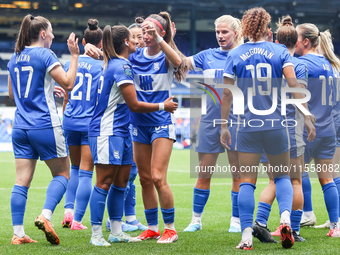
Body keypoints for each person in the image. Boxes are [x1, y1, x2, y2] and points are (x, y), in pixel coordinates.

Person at [221, 7, 315, 250]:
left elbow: (227, 94)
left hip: (248, 125)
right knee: (283, 175)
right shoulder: (280, 50)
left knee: (246, 182)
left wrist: (223, 126)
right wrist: (306, 115)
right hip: (276, 124)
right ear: (267, 27)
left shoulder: (235, 54)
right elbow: (294, 86)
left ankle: (246, 237)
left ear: (245, 26)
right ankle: (285, 220)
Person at [88, 24, 178, 246]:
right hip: (108, 130)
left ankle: (116, 231)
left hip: (122, 130)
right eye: (133, 37)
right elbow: (135, 105)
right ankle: (96, 234)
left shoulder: (118, 63)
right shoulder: (122, 66)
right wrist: (162, 106)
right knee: (104, 182)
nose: (138, 40)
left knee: (121, 183)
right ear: (126, 42)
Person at [7, 14, 79, 245]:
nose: (53, 36)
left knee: (21, 181)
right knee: (63, 174)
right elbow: (68, 82)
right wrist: (75, 56)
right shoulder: (46, 54)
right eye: (51, 32)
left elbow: (12, 94)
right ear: (42, 34)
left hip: (20, 127)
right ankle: (46, 216)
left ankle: (18, 234)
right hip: (44, 125)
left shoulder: (14, 57)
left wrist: (48, 90)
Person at [128, 12, 188, 243]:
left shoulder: (165, 55)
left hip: (161, 123)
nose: (145, 34)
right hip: (138, 123)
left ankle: (170, 229)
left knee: (157, 177)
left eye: (150, 31)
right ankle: (152, 227)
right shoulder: (135, 55)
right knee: (144, 179)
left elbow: (179, 62)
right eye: (143, 30)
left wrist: (161, 39)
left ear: (161, 33)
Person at [182, 15, 243, 233]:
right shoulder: (206, 55)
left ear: (236, 33)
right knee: (204, 173)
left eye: (224, 32)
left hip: (237, 121)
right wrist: (165, 40)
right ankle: (196, 220)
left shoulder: (243, 55)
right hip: (209, 121)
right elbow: (180, 62)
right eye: (217, 32)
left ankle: (236, 222)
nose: (220, 36)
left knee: (238, 175)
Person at [252, 15, 310, 243]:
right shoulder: (298, 65)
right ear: (296, 43)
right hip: (291, 129)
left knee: (274, 181)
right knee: (294, 181)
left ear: (275, 39)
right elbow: (300, 96)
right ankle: (293, 229)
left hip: (267, 127)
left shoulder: (267, 61)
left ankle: (261, 222)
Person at [295, 23, 340, 237]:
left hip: (308, 130)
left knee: (295, 177)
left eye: (296, 37)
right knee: (327, 178)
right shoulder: (331, 64)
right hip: (328, 130)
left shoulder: (302, 64)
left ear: (305, 41)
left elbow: (300, 95)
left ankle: (293, 226)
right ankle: (335, 226)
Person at [61, 19, 103, 230]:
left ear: (84, 41)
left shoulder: (69, 63)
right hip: (90, 124)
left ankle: (68, 212)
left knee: (74, 169)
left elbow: (64, 93)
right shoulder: (102, 66)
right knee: (87, 172)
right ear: (102, 44)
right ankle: (77, 220)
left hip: (69, 121)